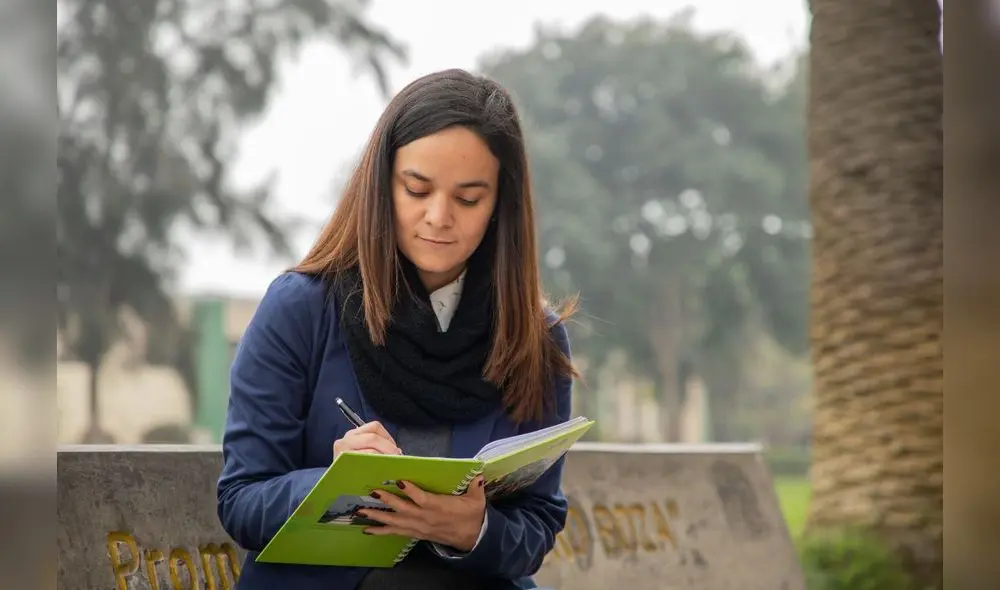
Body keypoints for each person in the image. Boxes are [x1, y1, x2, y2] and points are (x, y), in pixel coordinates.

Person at [216, 68, 577, 590]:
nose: (438, 217)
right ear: (383, 184)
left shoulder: (532, 339)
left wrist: (475, 529)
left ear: (501, 205)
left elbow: (538, 521)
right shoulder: (301, 309)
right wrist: (330, 488)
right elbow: (241, 499)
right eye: (417, 188)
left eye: (468, 199)